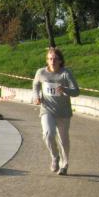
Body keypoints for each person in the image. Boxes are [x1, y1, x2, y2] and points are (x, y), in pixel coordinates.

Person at [32, 47, 80, 175]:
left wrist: (65, 89)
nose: (52, 61)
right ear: (47, 60)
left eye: (55, 59)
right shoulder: (41, 73)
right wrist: (36, 97)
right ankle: (55, 156)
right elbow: (35, 85)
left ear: (60, 61)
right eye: (50, 59)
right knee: (48, 133)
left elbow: (76, 91)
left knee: (63, 140)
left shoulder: (66, 73)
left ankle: (64, 165)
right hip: (47, 109)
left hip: (63, 112)